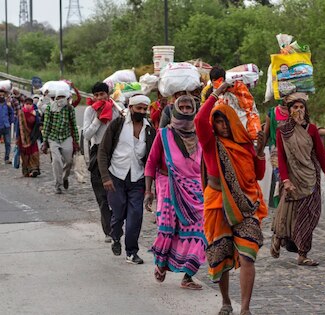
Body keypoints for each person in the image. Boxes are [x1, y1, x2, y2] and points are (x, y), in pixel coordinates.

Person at [195, 82, 267, 315]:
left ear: (233, 122)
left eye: (225, 121)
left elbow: (258, 175)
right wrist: (216, 93)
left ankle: (245, 307)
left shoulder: (244, 146)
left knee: (248, 254)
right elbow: (198, 121)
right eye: (217, 121)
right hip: (217, 203)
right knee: (220, 255)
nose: (222, 126)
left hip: (246, 205)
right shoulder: (210, 144)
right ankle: (226, 302)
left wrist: (260, 153)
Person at [144, 95, 207, 290]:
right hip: (167, 185)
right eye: (183, 107)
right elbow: (151, 162)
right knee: (168, 229)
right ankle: (161, 263)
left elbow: (206, 164)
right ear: (176, 110)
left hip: (195, 189)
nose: (187, 110)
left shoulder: (201, 135)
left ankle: (188, 275)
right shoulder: (163, 134)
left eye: (190, 107)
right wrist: (148, 191)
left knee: (200, 231)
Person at [271, 92, 325, 266]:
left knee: (311, 214)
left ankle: (302, 253)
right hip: (292, 178)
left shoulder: (312, 129)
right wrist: (285, 180)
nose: (299, 110)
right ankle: (285, 241)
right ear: (289, 110)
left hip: (310, 177)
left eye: (301, 107)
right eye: (295, 107)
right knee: (289, 214)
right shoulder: (282, 130)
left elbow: (321, 155)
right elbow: (282, 158)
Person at [97, 94, 155, 265]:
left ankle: (132, 252)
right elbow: (103, 151)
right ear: (131, 108)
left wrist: (151, 185)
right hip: (116, 176)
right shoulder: (118, 125)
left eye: (145, 109)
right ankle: (115, 236)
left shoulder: (149, 129)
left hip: (138, 178)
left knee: (136, 215)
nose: (142, 112)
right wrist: (105, 177)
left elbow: (152, 157)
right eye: (139, 108)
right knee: (118, 213)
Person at [83, 82, 120, 243]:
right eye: (96, 95)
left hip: (115, 152)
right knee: (102, 194)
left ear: (107, 94)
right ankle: (109, 230)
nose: (100, 98)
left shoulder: (115, 109)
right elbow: (87, 134)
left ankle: (117, 223)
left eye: (102, 95)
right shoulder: (90, 111)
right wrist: (98, 119)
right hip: (97, 152)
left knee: (117, 192)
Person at [41, 89, 80, 194]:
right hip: (53, 138)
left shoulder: (70, 109)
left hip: (66, 137)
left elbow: (74, 125)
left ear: (67, 98)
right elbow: (46, 125)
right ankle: (58, 184)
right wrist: (45, 142)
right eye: (59, 97)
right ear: (56, 98)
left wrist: (77, 141)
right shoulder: (50, 108)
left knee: (69, 161)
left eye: (63, 97)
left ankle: (65, 177)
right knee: (57, 161)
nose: (61, 99)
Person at [264, 100, 290, 208]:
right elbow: (266, 134)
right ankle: (281, 206)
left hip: (292, 150)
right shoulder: (272, 113)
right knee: (281, 180)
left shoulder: (296, 111)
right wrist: (258, 153)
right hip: (277, 152)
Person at [16, 98, 42, 178]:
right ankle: (26, 170)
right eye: (26, 104)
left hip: (32, 137)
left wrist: (36, 115)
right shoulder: (21, 113)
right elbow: (18, 126)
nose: (28, 106)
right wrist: (17, 138)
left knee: (34, 153)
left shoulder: (35, 113)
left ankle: (34, 169)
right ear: (24, 104)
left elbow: (38, 124)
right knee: (25, 155)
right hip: (23, 138)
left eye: (30, 104)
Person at [0, 88, 15, 164]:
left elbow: (12, 113)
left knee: (7, 143)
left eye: (3, 95)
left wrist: (11, 121)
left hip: (6, 126)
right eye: (0, 95)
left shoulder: (7, 104)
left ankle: (6, 158)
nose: (1, 96)